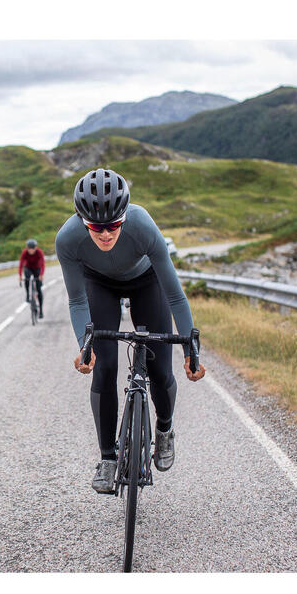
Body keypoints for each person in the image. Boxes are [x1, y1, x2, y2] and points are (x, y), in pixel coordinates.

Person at [55, 168, 206, 493]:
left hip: (146, 282)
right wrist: (86, 346)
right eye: (96, 227)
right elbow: (77, 300)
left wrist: (190, 350)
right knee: (104, 367)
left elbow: (175, 295)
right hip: (99, 285)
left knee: (160, 368)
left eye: (113, 225)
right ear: (82, 220)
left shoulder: (142, 225)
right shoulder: (67, 239)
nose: (106, 234)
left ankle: (164, 430)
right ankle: (108, 458)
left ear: (124, 216)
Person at [18, 239, 45, 318]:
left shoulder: (39, 252)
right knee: (26, 278)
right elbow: (20, 265)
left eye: (33, 248)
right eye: (29, 248)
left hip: (37, 269)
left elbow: (43, 264)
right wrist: (20, 276)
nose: (31, 250)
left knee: (39, 289)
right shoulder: (24, 253)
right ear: (27, 248)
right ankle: (27, 295)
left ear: (35, 248)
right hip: (28, 268)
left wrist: (41, 275)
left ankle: (41, 310)